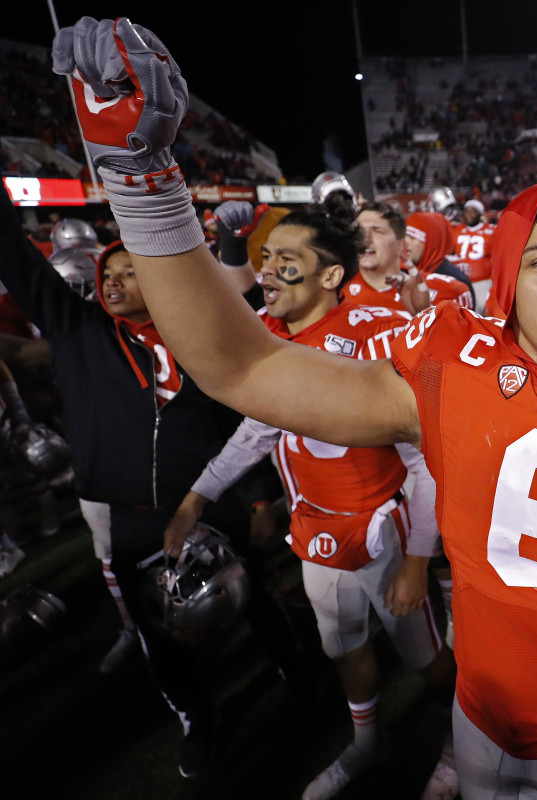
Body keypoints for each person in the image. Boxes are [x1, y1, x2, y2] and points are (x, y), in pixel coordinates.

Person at [54, 17, 537, 800]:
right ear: (502, 287)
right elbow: (241, 366)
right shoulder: (449, 369)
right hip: (479, 723)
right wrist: (138, 176)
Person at [0, 192, 311, 778]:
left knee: (256, 599)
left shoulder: (196, 334)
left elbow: (235, 421)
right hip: (132, 512)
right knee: (155, 628)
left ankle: (293, 665)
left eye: (130, 272)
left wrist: (262, 497)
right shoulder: (77, 330)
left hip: (210, 498)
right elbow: (12, 255)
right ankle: (196, 717)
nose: (113, 282)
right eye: (107, 274)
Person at [163, 204, 456, 800]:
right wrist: (200, 494)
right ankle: (370, 743)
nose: (267, 273)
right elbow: (258, 427)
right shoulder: (268, 336)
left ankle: (460, 741)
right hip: (313, 527)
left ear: (328, 276)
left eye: (285, 261)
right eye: (266, 258)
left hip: (383, 526)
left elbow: (426, 455)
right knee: (345, 648)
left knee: (426, 658)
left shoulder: (379, 332)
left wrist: (419, 559)